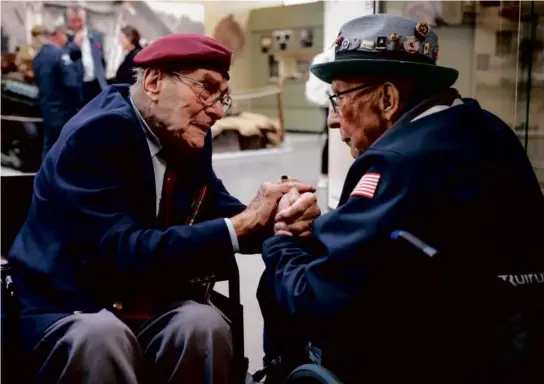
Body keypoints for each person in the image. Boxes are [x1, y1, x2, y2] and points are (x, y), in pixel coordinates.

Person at [8, 33, 320, 383]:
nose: (217, 110)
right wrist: (241, 225)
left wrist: (279, 218)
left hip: (143, 300)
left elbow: (213, 206)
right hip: (71, 305)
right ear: (154, 81)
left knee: (204, 325)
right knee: (102, 338)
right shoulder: (96, 134)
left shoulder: (183, 133)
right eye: (206, 88)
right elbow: (115, 253)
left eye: (223, 97)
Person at [257, 14, 544, 383]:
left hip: (433, 358)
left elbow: (319, 299)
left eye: (338, 98)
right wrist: (322, 227)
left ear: (389, 99)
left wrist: (281, 239)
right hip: (511, 347)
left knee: (279, 286)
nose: (332, 120)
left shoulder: (394, 162)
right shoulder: (488, 128)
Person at [32, 25, 83, 159]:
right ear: (59, 35)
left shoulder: (38, 56)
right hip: (64, 109)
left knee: (49, 146)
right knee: (65, 149)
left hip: (47, 108)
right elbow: (72, 83)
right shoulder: (60, 55)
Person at [65, 5, 108, 104]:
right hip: (79, 84)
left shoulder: (96, 35)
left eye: (79, 20)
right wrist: (75, 45)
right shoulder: (66, 37)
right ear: (68, 21)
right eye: (73, 21)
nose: (77, 24)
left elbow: (102, 59)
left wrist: (102, 75)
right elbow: (65, 57)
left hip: (97, 82)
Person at [305, 48, 334, 188]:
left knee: (330, 134)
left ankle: (325, 174)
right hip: (327, 99)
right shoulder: (325, 57)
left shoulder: (323, 57)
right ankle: (324, 175)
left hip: (327, 99)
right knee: (331, 136)